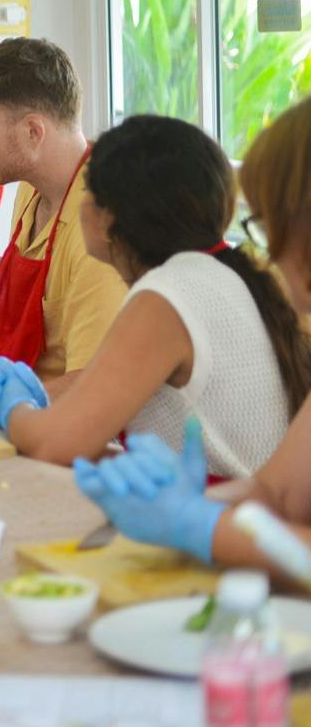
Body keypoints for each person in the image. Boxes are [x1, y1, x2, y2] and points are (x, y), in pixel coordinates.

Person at [0, 116, 308, 473]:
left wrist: (16, 408)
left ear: (110, 216)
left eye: (87, 190)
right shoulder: (227, 273)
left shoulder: (165, 298)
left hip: (228, 518)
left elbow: (52, 442)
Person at [73, 98, 311, 573]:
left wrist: (199, 523)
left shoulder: (173, 288)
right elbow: (277, 491)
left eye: (267, 227)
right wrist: (181, 505)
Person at [0, 38, 127, 392]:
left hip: (62, 430)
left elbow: (90, 387)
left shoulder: (101, 230)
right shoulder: (30, 189)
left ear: (33, 132)